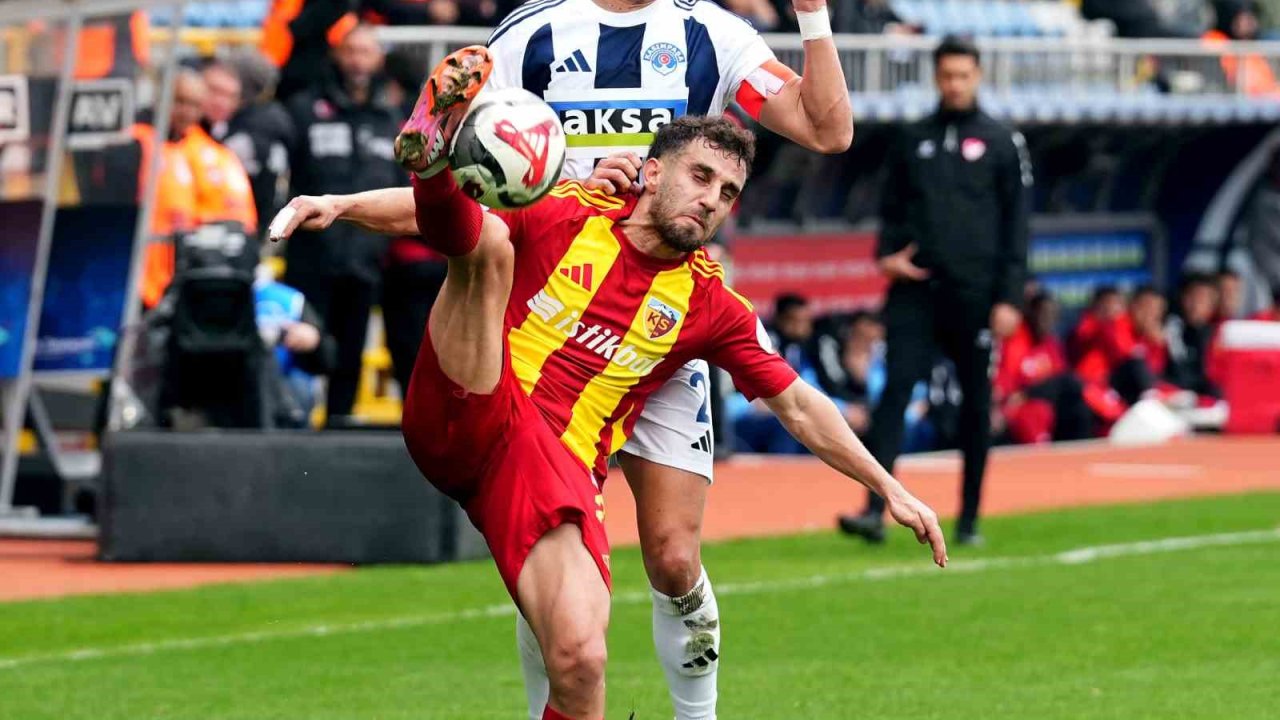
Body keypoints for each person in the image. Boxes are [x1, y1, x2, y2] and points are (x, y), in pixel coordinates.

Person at [269, 51, 946, 720]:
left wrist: (887, 486)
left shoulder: (710, 304)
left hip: (547, 468)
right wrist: (340, 202)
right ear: (652, 173)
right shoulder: (572, 209)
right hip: (467, 398)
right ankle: (436, 163)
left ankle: (440, 163)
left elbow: (797, 403)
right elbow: (432, 226)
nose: (711, 200)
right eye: (700, 176)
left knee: (582, 660)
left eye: (727, 193)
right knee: (488, 245)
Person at [480, 1, 852, 715]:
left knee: (675, 557)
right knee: (549, 563)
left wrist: (813, 18)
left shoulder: (712, 35)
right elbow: (464, 152)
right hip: (553, 325)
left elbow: (827, 129)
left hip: (664, 324)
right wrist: (563, 187)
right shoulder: (534, 32)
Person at [837, 35, 1031, 547]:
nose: (955, 84)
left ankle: (968, 519)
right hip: (916, 291)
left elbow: (1018, 225)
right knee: (893, 394)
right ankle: (874, 510)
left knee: (975, 404)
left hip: (977, 294)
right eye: (947, 75)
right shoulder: (913, 137)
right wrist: (886, 256)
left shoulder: (1001, 140)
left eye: (963, 75)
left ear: (978, 76)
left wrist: (1010, 297)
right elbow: (892, 207)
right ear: (936, 77)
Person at [284, 23, 405, 424]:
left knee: (349, 353)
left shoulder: (392, 119)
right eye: (350, 51)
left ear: (379, 59)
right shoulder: (305, 108)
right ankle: (291, 422)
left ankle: (338, 426)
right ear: (337, 55)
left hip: (365, 260)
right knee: (302, 347)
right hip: (310, 257)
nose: (357, 60)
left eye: (365, 52)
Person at [993, 293, 1090, 445]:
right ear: (1031, 313)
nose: (1047, 320)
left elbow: (1060, 378)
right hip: (1021, 406)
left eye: (1052, 315)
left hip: (1045, 401)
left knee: (1077, 400)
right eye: (1043, 313)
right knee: (1037, 411)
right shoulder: (1015, 341)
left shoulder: (1051, 344)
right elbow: (1007, 384)